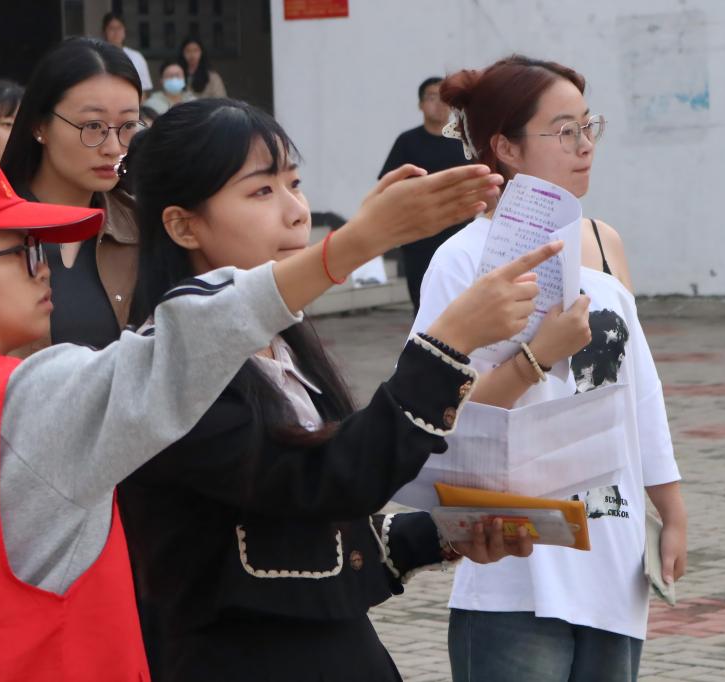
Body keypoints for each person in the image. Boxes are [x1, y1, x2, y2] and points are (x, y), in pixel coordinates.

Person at [0, 137, 485, 680]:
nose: (46, 271)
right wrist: (353, 246)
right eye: (21, 253)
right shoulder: (17, 400)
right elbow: (178, 349)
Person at [116, 99, 565, 682]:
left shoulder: (281, 343)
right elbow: (325, 480)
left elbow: (316, 526)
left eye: (294, 183)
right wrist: (447, 343)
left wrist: (447, 532)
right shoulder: (168, 364)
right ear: (183, 225)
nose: (296, 211)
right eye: (261, 191)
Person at [410, 55, 688, 682]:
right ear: (505, 147)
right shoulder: (463, 259)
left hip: (612, 555)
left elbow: (639, 392)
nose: (585, 145)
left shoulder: (604, 243)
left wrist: (671, 510)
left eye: (589, 126)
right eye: (564, 131)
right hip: (517, 564)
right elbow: (437, 411)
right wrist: (537, 358)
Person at [1, 38, 144, 348]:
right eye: (92, 126)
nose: (113, 148)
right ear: (40, 125)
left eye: (128, 126)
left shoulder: (141, 228)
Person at [378, 77, 471, 315]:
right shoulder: (407, 142)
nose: (439, 104)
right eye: (432, 97)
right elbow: (388, 183)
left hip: (458, 234)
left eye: (444, 99)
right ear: (420, 105)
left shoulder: (464, 142)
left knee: (458, 300)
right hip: (418, 235)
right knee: (422, 301)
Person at [102, 11, 153, 94]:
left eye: (119, 28)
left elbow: (144, 89)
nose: (116, 32)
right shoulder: (97, 55)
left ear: (124, 31)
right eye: (111, 28)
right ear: (105, 31)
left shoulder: (136, 57)